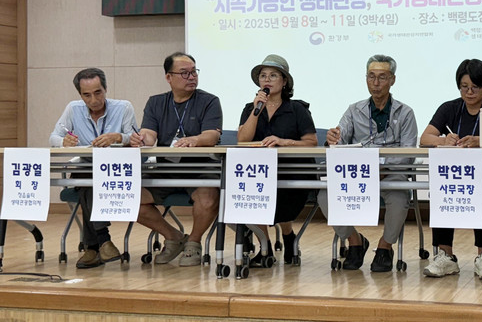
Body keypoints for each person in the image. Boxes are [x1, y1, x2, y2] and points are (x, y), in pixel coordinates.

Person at [318, 54, 418, 272]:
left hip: (391, 173)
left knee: (399, 197)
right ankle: (355, 241)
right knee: (325, 195)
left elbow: (408, 152)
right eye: (371, 76)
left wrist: (382, 169)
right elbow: (340, 141)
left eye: (382, 77)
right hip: (357, 174)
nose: (376, 83)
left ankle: (385, 246)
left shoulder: (405, 113)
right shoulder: (354, 110)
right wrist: (333, 139)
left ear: (392, 80)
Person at [419, 59, 482, 279]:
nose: (469, 92)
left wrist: (479, 141)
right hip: (457, 174)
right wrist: (443, 141)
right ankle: (446, 256)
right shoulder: (449, 108)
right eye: (464, 87)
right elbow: (425, 137)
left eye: (475, 87)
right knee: (443, 189)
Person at [129, 52, 222, 266]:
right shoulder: (156, 102)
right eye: (184, 73)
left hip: (200, 169)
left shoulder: (209, 101)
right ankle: (174, 237)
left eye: (194, 72)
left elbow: (212, 135)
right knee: (128, 198)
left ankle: (194, 243)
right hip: (166, 169)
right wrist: (141, 139)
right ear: (168, 77)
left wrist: (195, 140)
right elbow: (149, 134)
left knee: (208, 199)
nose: (192, 77)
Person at [49, 68, 137, 269]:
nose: (94, 100)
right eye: (87, 95)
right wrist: (63, 141)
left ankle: (93, 246)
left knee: (86, 183)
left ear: (106, 89)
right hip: (87, 168)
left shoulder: (123, 107)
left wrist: (118, 137)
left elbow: (134, 138)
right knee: (87, 179)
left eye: (98, 93)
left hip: (116, 172)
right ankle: (103, 241)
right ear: (80, 95)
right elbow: (53, 137)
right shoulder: (73, 109)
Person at [237, 54, 317, 266]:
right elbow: (243, 140)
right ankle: (265, 248)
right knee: (252, 194)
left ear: (284, 82)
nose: (267, 79)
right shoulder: (250, 108)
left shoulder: (297, 109)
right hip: (258, 174)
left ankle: (288, 235)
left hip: (292, 172)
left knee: (280, 199)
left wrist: (284, 142)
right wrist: (256, 110)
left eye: (273, 75)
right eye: (263, 75)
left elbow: (311, 142)